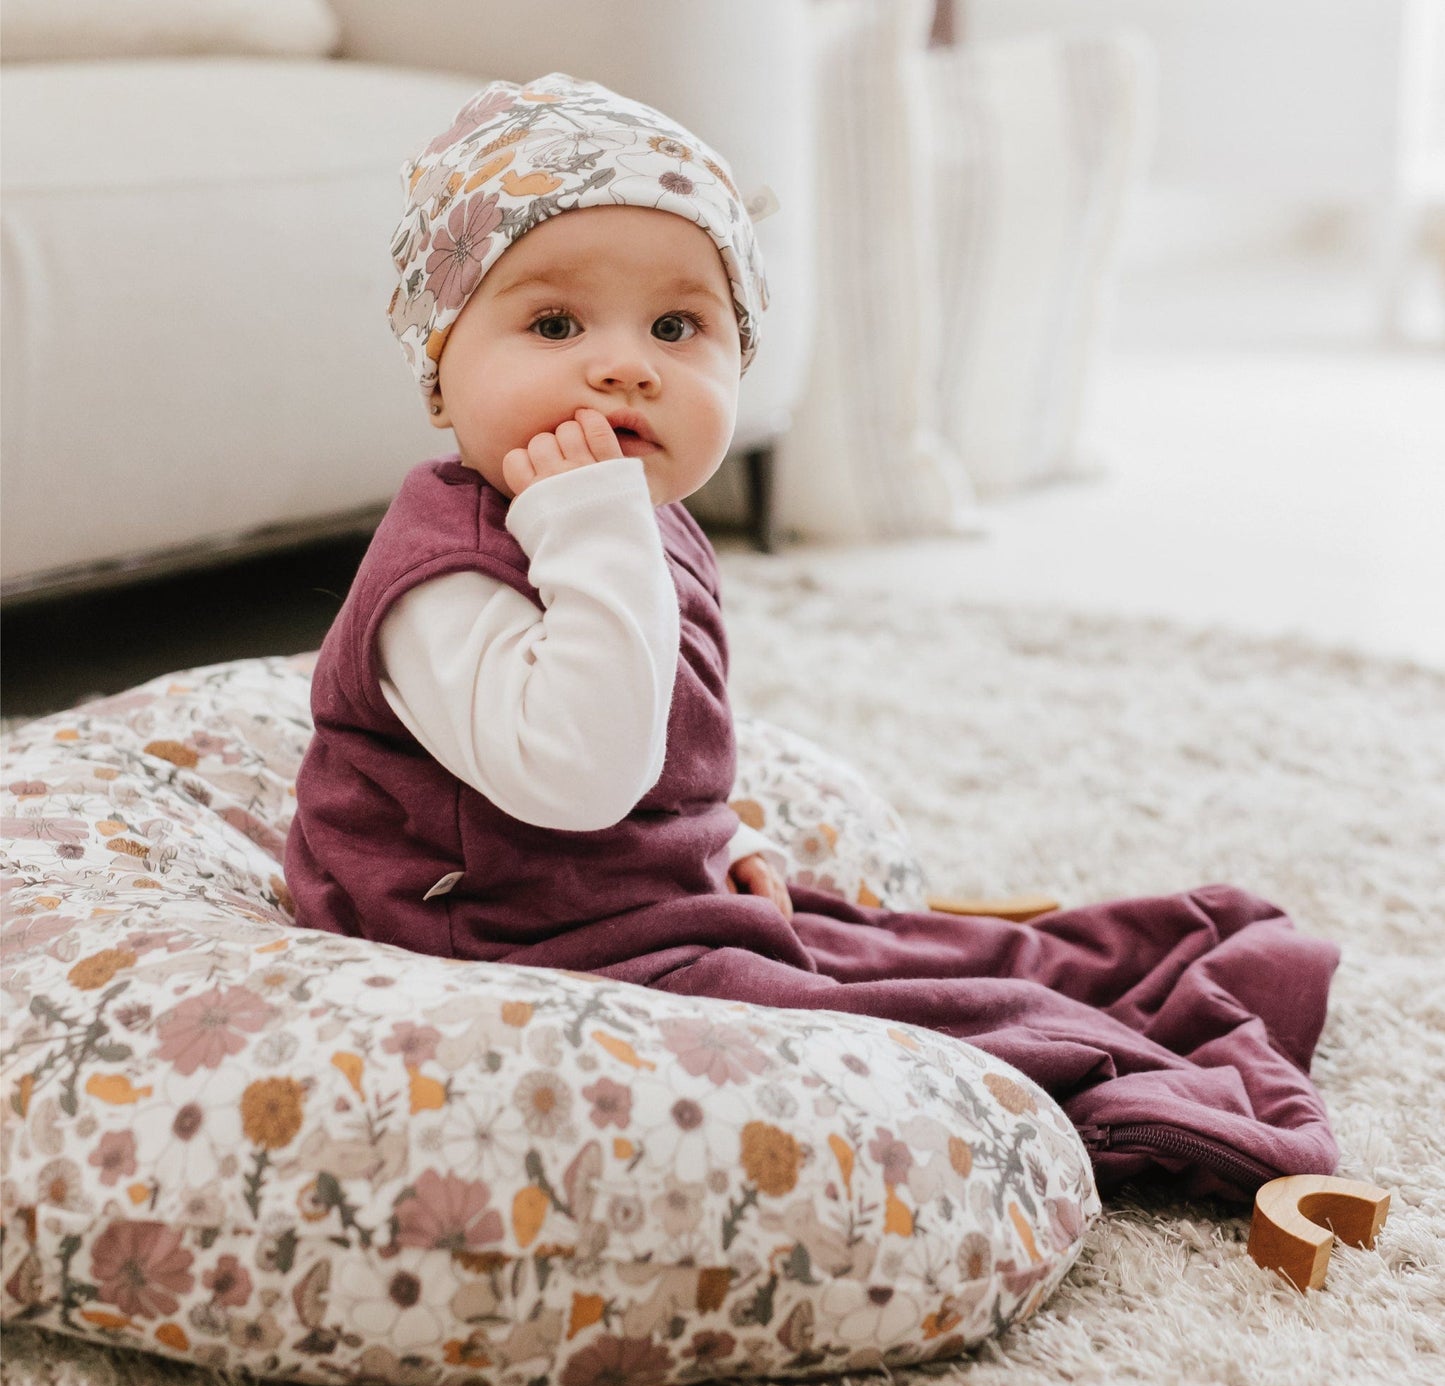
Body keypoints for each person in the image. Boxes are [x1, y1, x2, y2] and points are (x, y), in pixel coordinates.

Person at [284, 74, 1341, 1202]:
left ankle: (1186, 959)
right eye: (553, 324)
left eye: (680, 327)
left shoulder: (623, 518)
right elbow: (579, 772)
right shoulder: (446, 573)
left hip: (621, 901)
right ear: (438, 367)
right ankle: (1159, 1094)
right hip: (494, 945)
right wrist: (589, 529)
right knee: (921, 1026)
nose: (625, 363)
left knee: (907, 949)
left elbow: (664, 740)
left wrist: (712, 836)